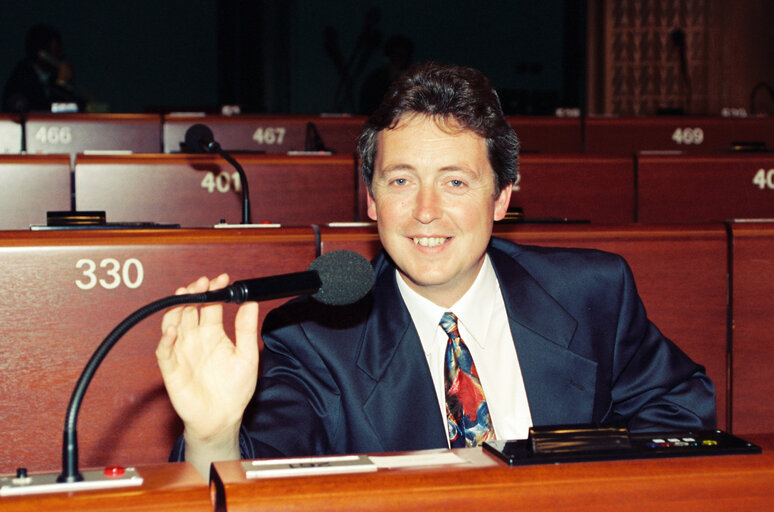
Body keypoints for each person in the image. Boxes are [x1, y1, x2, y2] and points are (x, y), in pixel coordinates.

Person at [157, 62, 716, 478]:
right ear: (371, 201)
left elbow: (680, 410)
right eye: (401, 181)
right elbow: (259, 480)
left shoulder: (593, 291)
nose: (425, 211)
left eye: (455, 182)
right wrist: (213, 434)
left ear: (501, 198)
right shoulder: (310, 339)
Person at [2, 24, 85, 112]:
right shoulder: (22, 78)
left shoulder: (52, 77)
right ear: (43, 53)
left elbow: (74, 106)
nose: (61, 55)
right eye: (57, 50)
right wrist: (61, 84)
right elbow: (45, 109)